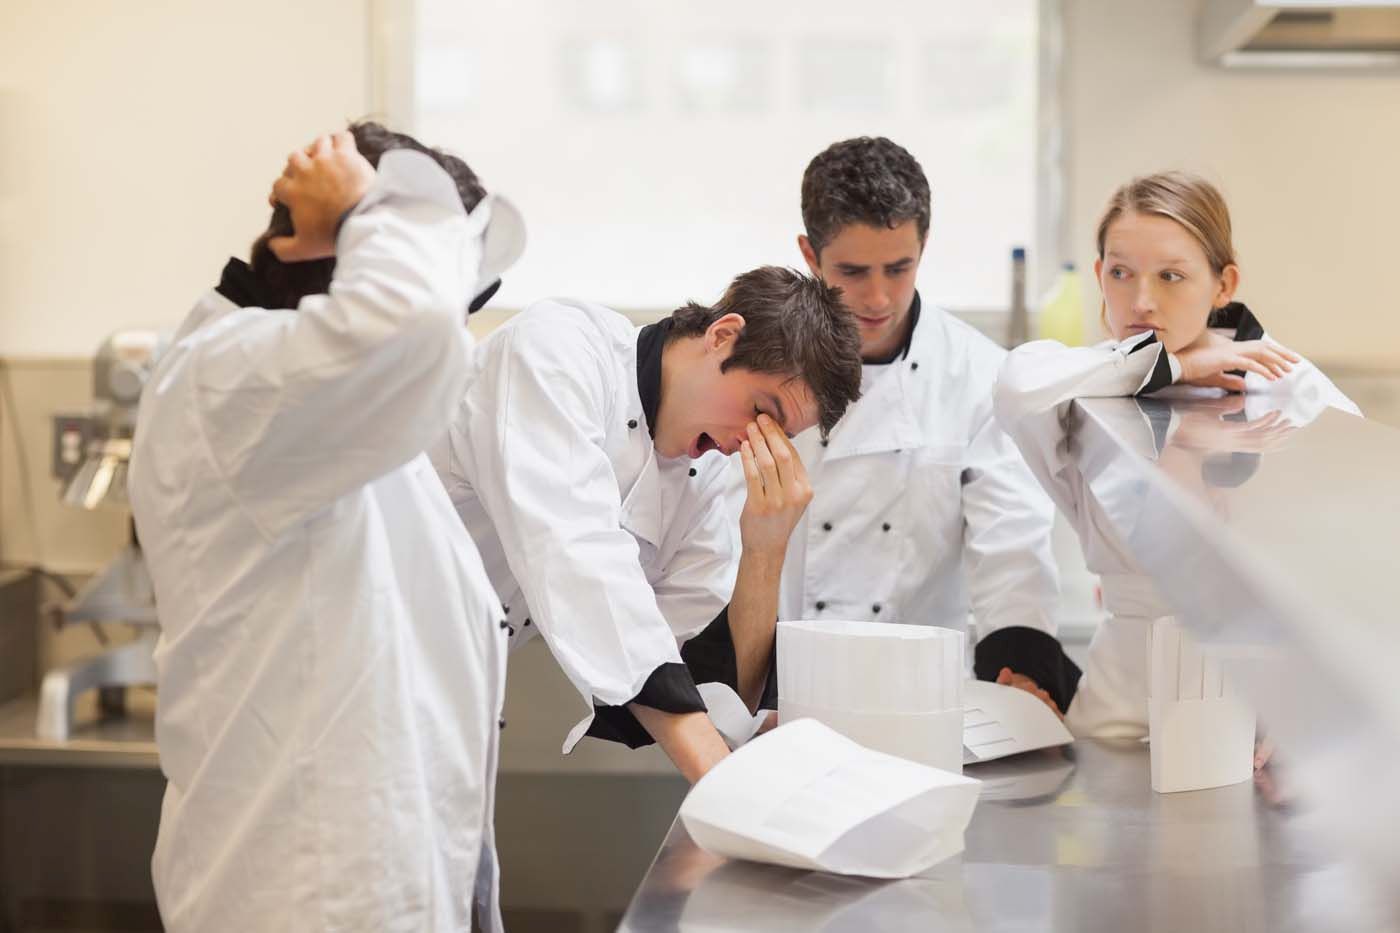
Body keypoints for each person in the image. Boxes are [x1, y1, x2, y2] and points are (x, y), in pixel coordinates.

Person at [128, 122, 523, 932]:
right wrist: (360, 208)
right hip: (298, 892)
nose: (460, 327)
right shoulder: (226, 382)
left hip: (373, 884)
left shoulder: (332, 416)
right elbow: (412, 334)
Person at [430, 266, 864, 781]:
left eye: (776, 436)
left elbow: (711, 693)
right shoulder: (558, 350)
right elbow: (575, 556)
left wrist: (766, 550)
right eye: (759, 411)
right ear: (723, 336)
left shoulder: (701, 480)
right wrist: (723, 783)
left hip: (455, 685)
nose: (744, 444)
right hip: (367, 635)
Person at [994, 170, 1359, 738]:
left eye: (1171, 276)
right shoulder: (1083, 382)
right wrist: (1176, 366)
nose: (1142, 302)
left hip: (1250, 713)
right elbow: (1017, 384)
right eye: (1121, 273)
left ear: (1223, 284)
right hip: (1115, 709)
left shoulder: (1286, 386)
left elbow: (1357, 556)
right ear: (1099, 274)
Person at [751, 136, 1076, 715]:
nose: (878, 297)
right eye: (853, 271)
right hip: (783, 690)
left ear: (924, 246)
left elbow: (1011, 545)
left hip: (923, 696)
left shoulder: (978, 376)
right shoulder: (763, 368)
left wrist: (1022, 668)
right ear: (809, 253)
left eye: (898, 269)